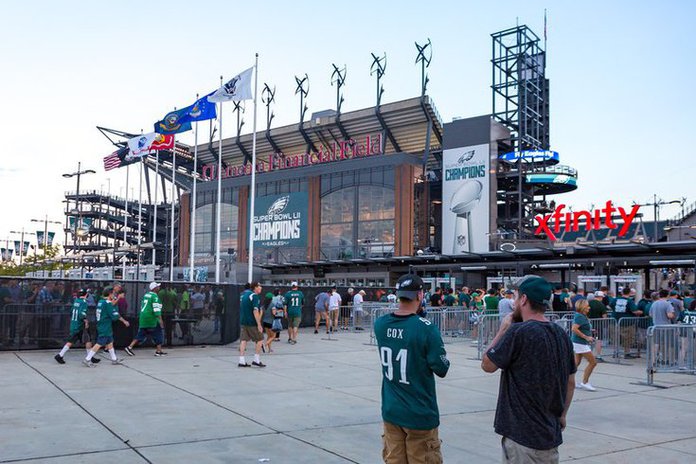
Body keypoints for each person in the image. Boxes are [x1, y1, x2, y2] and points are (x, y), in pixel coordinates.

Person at [481, 275, 576, 462]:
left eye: (516, 297)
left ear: (523, 299)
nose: (514, 302)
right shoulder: (560, 334)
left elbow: (487, 364)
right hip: (549, 435)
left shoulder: (518, 332)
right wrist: (562, 415)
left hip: (522, 438)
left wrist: (503, 330)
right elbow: (570, 382)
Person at [375, 274, 449, 464]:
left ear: (398, 295)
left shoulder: (381, 324)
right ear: (420, 295)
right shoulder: (426, 328)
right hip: (419, 413)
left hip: (392, 410)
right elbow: (441, 367)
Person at [83, 288, 130, 367]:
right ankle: (87, 359)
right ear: (110, 294)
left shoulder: (101, 302)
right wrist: (124, 321)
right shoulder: (107, 303)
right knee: (100, 343)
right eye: (113, 293)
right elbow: (114, 315)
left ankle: (114, 359)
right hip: (105, 325)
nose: (114, 295)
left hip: (102, 324)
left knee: (110, 342)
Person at [54, 288, 100, 364]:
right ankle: (60, 355)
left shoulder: (76, 301)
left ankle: (90, 357)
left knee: (87, 340)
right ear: (86, 294)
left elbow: (72, 311)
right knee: (73, 341)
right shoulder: (84, 303)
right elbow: (82, 314)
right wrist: (86, 321)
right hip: (79, 325)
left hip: (74, 323)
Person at [124, 282, 167, 357]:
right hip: (151, 318)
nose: (159, 288)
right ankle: (158, 351)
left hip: (143, 317)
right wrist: (160, 320)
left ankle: (129, 347)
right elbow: (156, 309)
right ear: (154, 288)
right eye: (157, 287)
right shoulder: (155, 297)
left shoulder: (146, 295)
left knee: (141, 334)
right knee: (158, 333)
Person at [572, 299, 598, 391]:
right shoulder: (580, 316)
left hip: (579, 342)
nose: (589, 307)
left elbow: (581, 327)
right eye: (587, 306)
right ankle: (585, 382)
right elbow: (574, 329)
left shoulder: (581, 316)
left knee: (576, 363)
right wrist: (586, 337)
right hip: (580, 343)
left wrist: (590, 331)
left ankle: (570, 381)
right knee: (593, 362)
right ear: (582, 307)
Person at [238, 282, 265, 368]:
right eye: (259, 286)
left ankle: (241, 361)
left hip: (243, 321)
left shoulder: (244, 295)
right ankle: (256, 360)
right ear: (255, 287)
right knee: (260, 339)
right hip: (252, 323)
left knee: (243, 340)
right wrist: (259, 324)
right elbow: (255, 310)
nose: (261, 288)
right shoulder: (254, 296)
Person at [611, 286, 641, 359]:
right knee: (628, 339)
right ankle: (626, 353)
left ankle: (615, 352)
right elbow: (634, 311)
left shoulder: (615, 299)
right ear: (630, 293)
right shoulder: (630, 301)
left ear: (622, 292)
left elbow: (610, 306)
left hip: (615, 322)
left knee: (615, 338)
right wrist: (640, 312)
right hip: (627, 323)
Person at [587, 292, 609, 362]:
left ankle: (588, 355)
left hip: (589, 325)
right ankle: (598, 356)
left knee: (590, 339)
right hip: (598, 326)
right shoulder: (601, 305)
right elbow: (604, 316)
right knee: (597, 340)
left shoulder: (588, 303)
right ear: (601, 297)